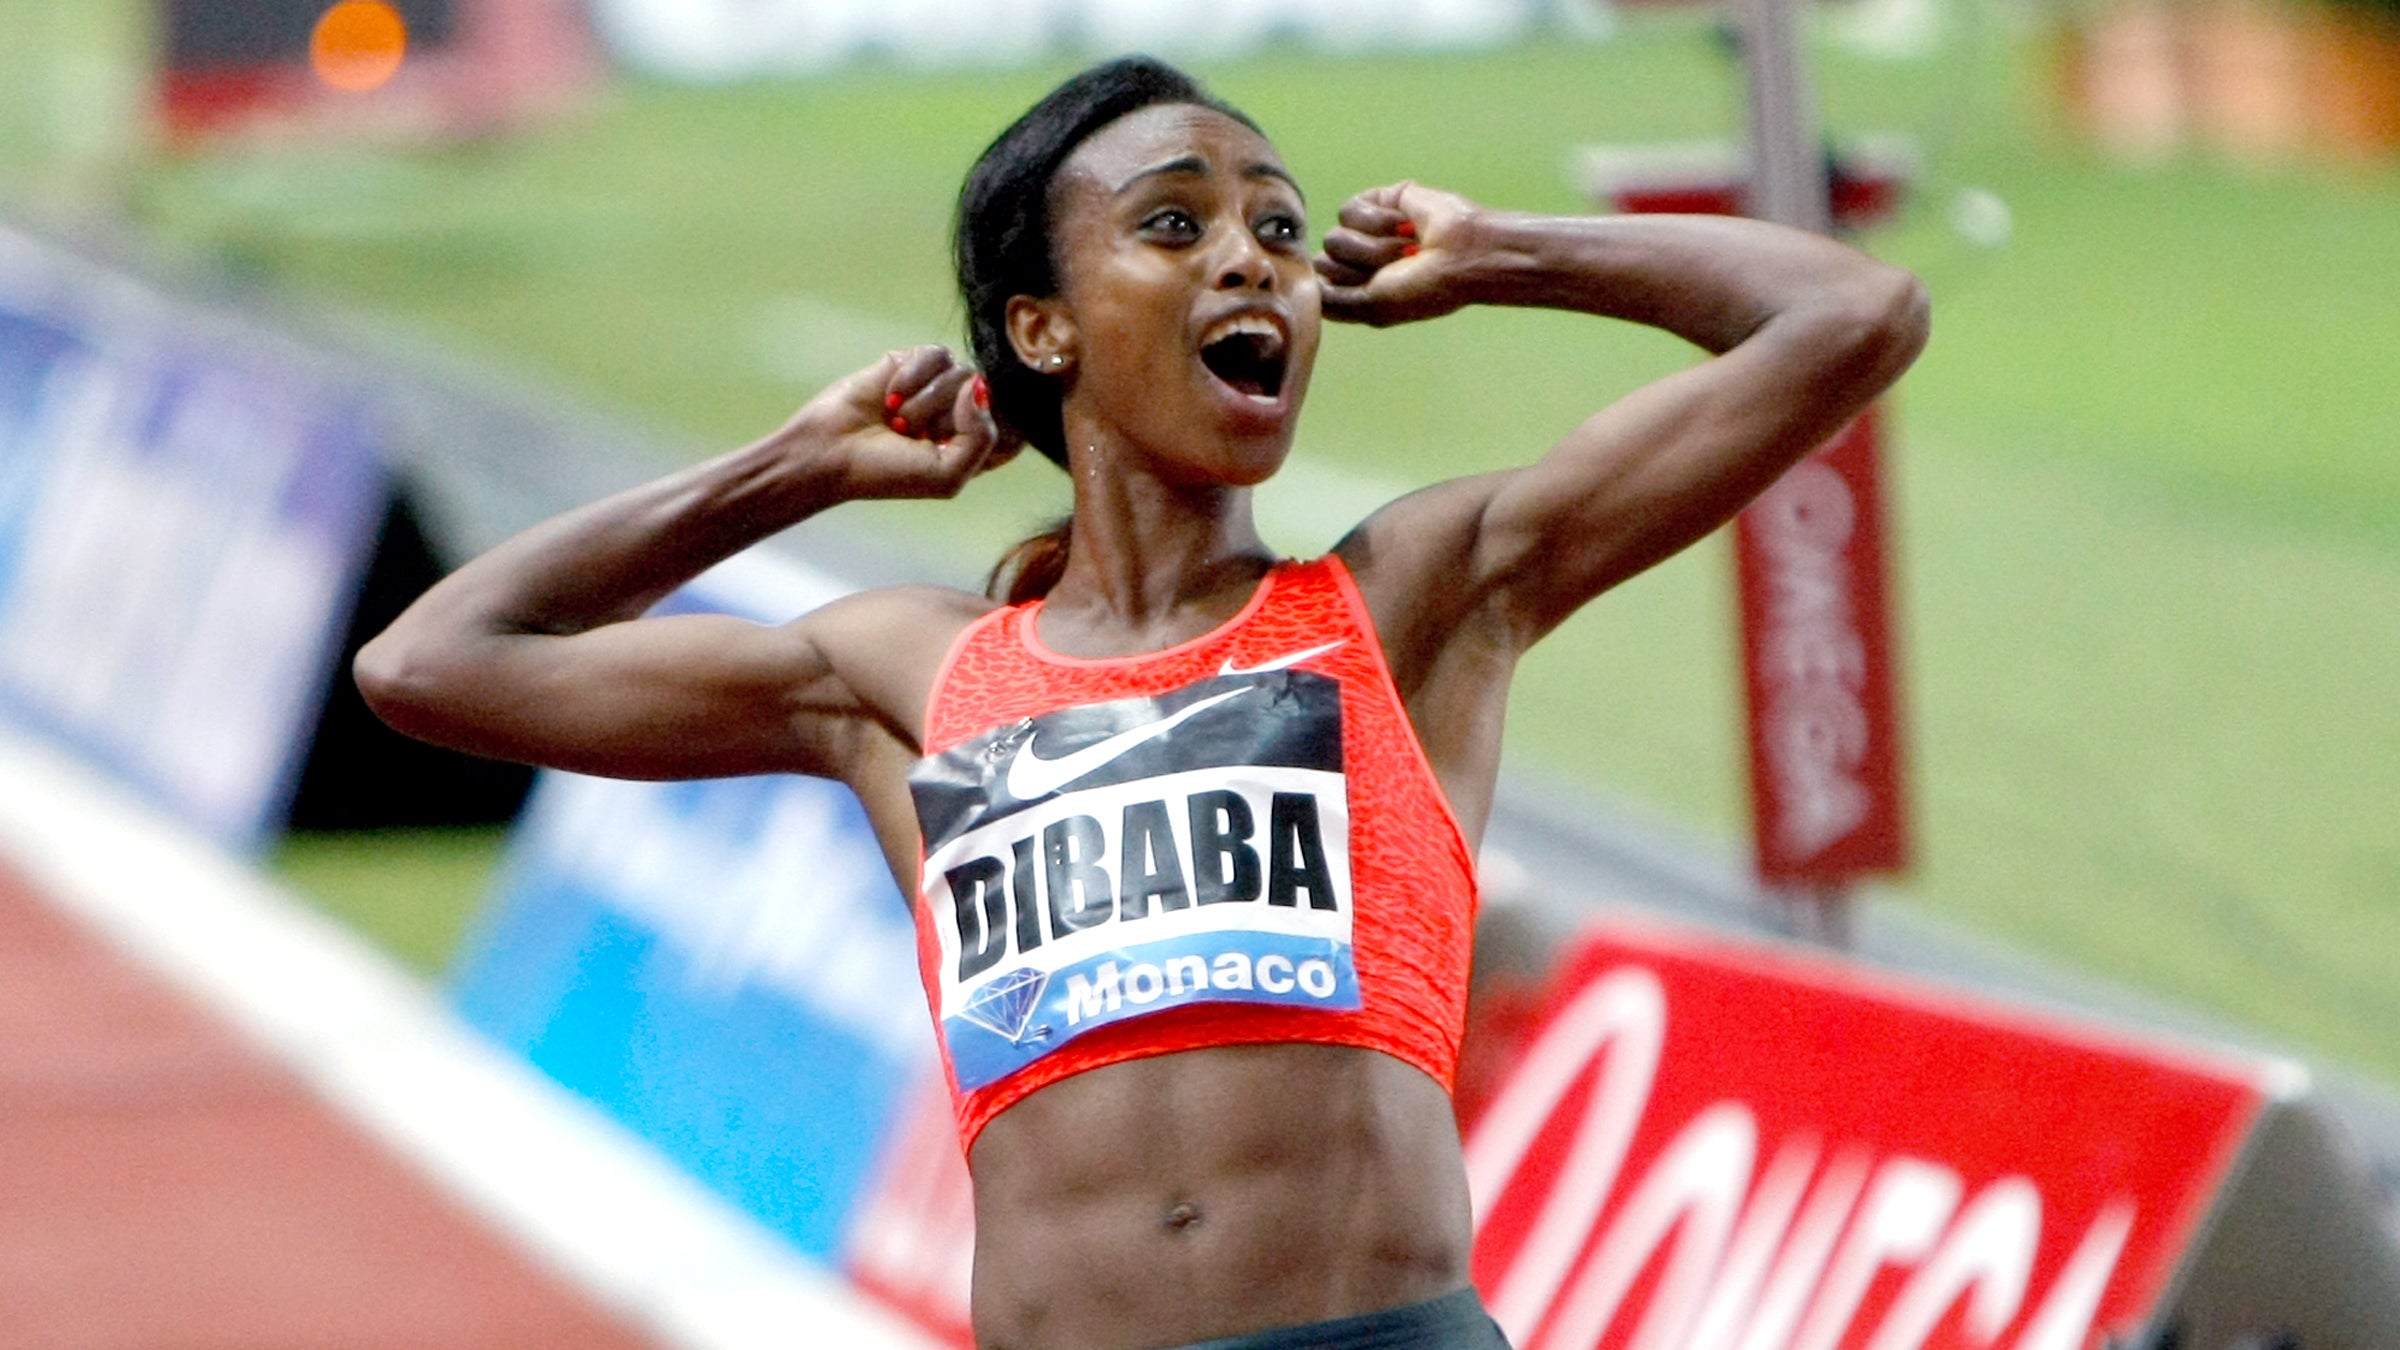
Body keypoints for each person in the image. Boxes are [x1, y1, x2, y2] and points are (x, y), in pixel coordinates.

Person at [356, 55, 1927, 1350]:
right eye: (1173, 226)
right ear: (1041, 329)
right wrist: (795, 467)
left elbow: (1854, 320)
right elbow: (433, 664)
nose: (1250, 257)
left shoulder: (1415, 597)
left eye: (1278, 229)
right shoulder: (908, 677)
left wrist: (1510, 253)